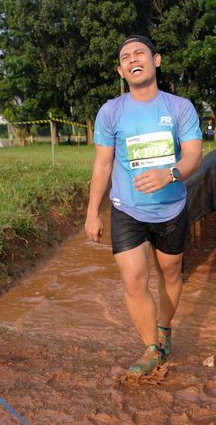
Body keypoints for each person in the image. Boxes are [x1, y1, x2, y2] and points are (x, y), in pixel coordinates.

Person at [85, 35, 203, 376]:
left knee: (171, 273)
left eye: (140, 53)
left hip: (171, 208)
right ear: (121, 71)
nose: (133, 60)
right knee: (134, 280)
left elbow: (194, 155)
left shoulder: (180, 107)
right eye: (126, 57)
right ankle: (152, 348)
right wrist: (92, 212)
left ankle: (164, 327)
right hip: (126, 209)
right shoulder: (110, 111)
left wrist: (169, 174)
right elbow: (103, 164)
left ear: (156, 60)